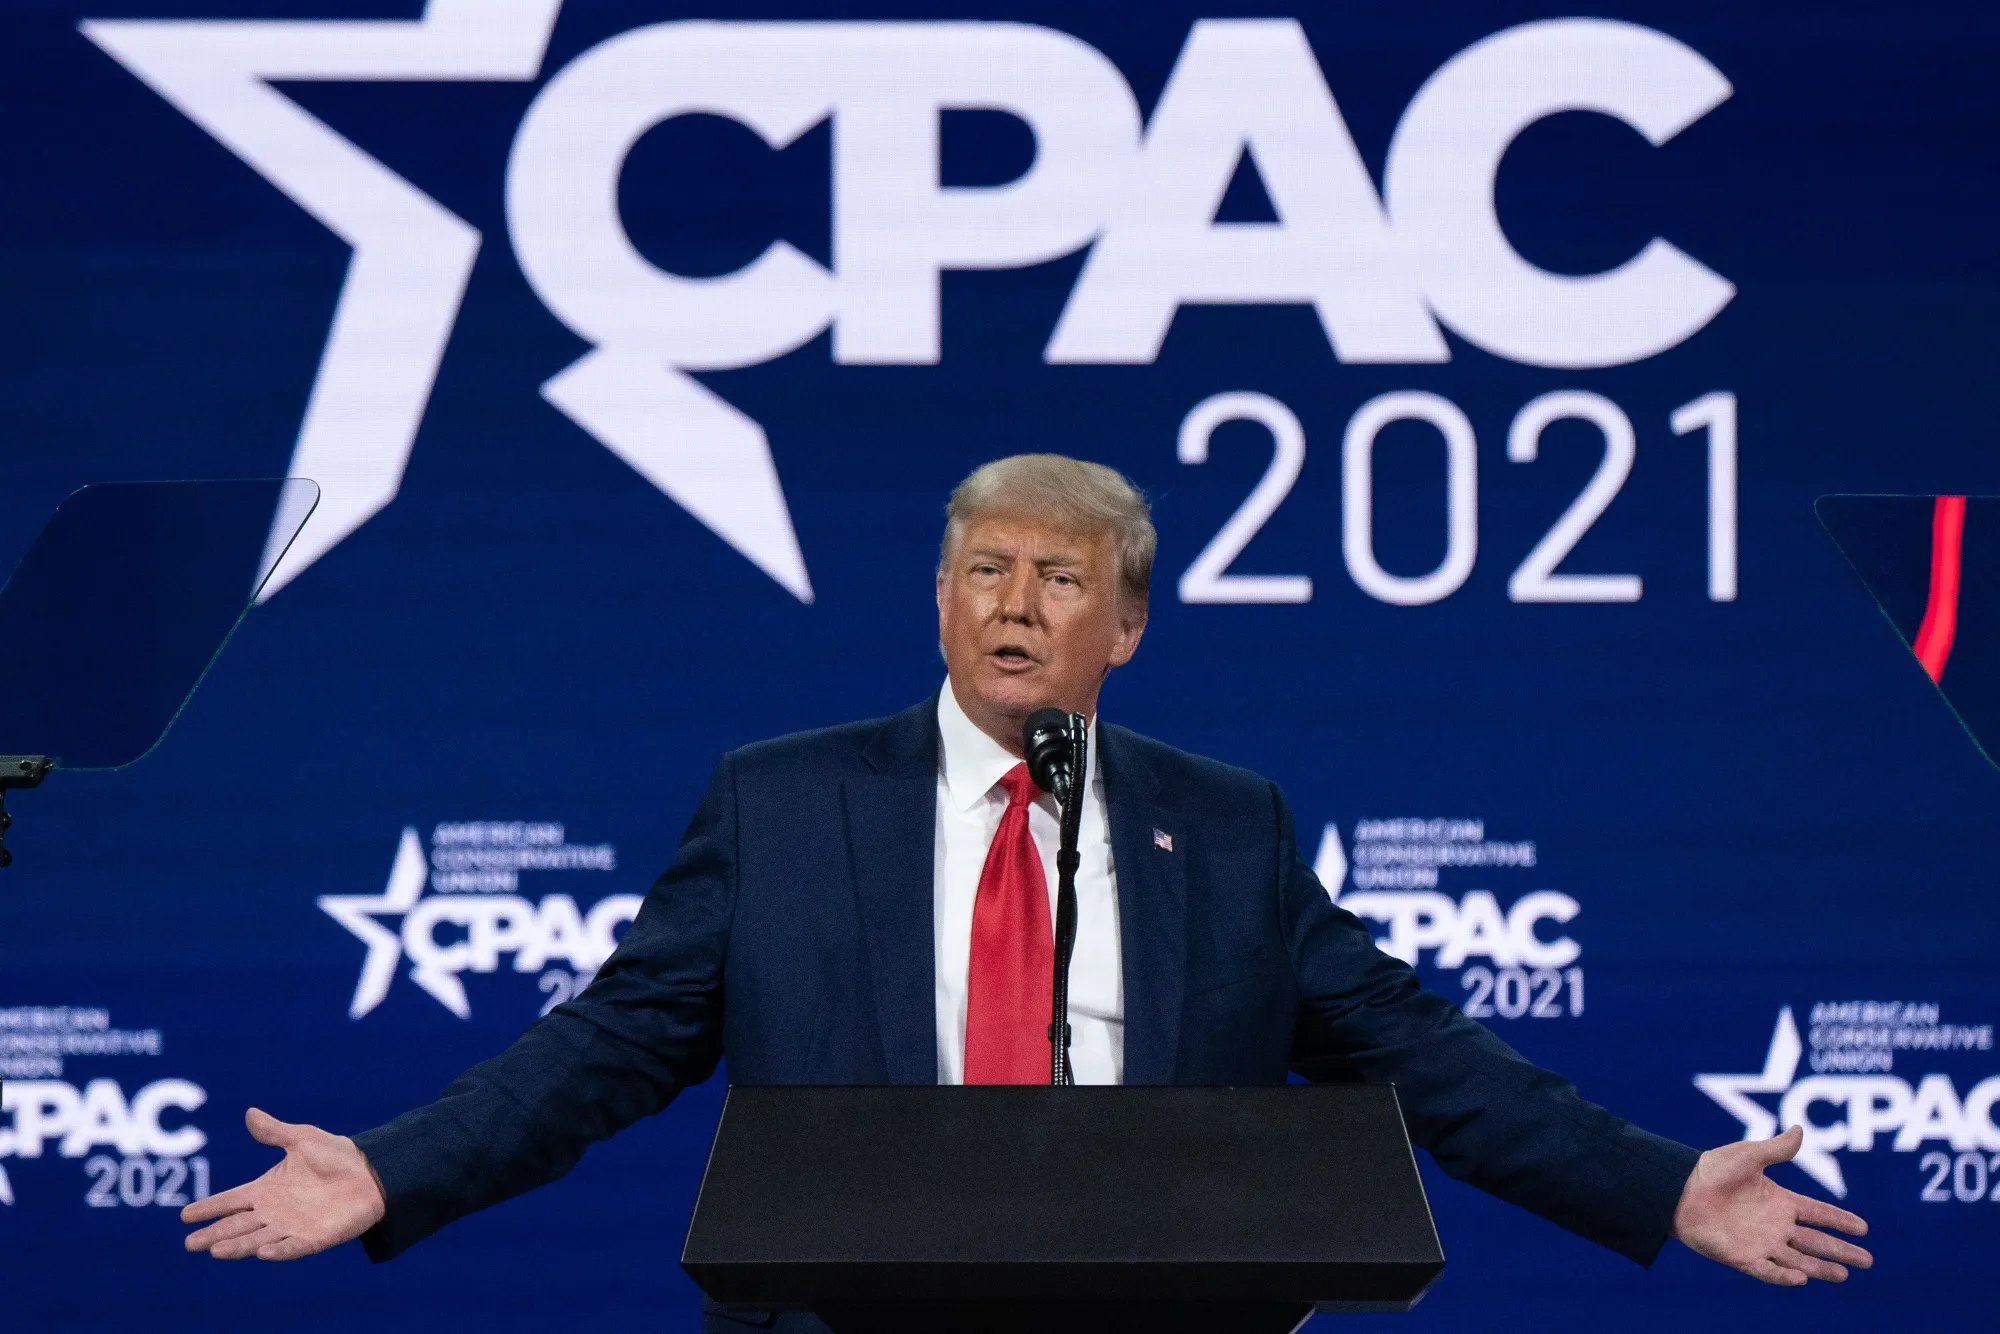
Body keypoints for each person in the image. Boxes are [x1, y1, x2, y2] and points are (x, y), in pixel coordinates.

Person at [182, 455, 1871, 1310]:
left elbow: (1423, 1055)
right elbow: (612, 1041)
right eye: (981, 568)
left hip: (1152, 1325)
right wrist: (391, 1170)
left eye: (1058, 577)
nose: (1013, 600)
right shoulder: (781, 804)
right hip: (842, 1319)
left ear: (1123, 628)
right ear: (936, 602)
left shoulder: (1223, 821)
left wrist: (1659, 1186)